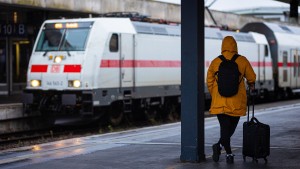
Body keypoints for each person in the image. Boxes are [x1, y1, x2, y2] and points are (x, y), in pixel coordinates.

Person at [206, 36, 256, 164]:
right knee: (230, 129)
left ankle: (221, 148)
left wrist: (215, 95)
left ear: (223, 46)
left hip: (219, 103)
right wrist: (251, 84)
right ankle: (227, 153)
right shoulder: (242, 61)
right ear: (235, 46)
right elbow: (251, 77)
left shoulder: (215, 62)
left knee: (224, 128)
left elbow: (209, 81)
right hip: (236, 102)